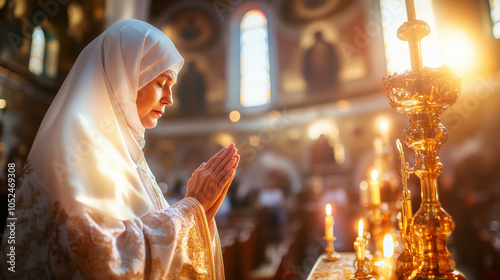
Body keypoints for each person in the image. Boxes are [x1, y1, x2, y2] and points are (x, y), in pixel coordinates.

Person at [0, 19, 240, 279]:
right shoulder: (78, 148)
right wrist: (190, 208)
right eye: (161, 83)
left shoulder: (122, 152)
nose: (170, 99)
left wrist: (199, 215)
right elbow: (97, 258)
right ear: (124, 77)